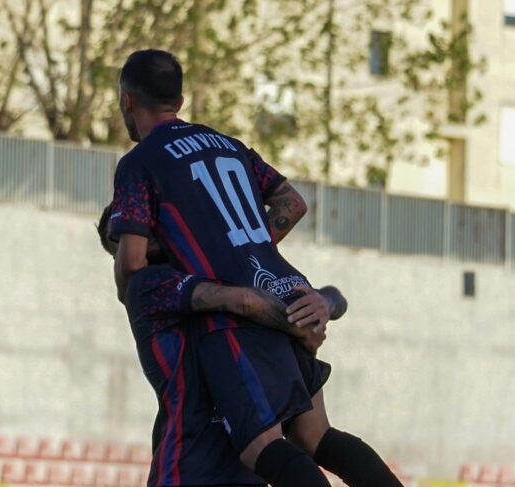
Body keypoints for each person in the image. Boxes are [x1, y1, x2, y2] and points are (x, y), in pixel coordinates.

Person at [108, 49, 402, 487]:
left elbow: (131, 266)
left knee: (260, 445)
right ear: (181, 102)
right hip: (286, 286)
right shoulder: (229, 145)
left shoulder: (140, 162)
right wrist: (248, 244)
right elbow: (292, 202)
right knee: (317, 436)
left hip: (237, 320)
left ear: (127, 101)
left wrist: (144, 284)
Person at [98, 209, 342, 486]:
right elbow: (246, 301)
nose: (141, 236)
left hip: (247, 470)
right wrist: (300, 324)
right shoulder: (150, 287)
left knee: (321, 441)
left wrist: (324, 303)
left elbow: (324, 296)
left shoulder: (222, 271)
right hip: (190, 469)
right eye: (125, 237)